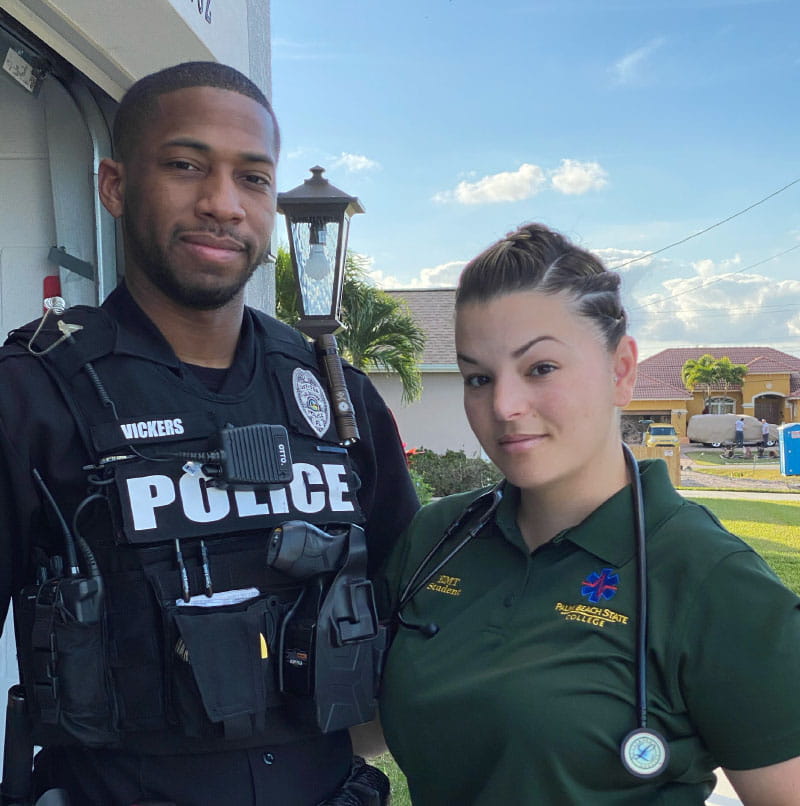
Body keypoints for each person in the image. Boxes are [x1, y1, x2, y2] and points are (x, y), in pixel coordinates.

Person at [0, 62, 418, 806]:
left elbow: (419, 609)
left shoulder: (334, 394)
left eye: (252, 178)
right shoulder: (31, 395)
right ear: (116, 186)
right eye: (187, 165)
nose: (223, 203)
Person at [377, 223, 800, 805]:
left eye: (540, 368)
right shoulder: (437, 538)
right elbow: (361, 724)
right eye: (479, 377)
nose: (503, 405)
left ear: (622, 370)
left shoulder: (711, 579)